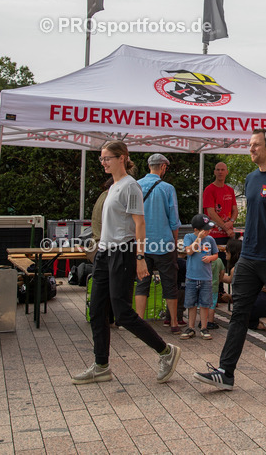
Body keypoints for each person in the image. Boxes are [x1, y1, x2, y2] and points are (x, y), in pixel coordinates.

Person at [194, 129, 266, 390]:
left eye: (255, 145)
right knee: (239, 314)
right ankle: (226, 372)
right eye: (250, 144)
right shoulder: (251, 179)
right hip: (249, 257)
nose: (250, 148)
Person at [72, 141, 180, 385]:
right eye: (101, 159)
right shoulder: (114, 186)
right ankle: (101, 365)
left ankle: (166, 351)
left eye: (107, 158)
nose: (103, 163)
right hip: (105, 252)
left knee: (122, 313)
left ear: (122, 158)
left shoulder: (131, 186)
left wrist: (140, 258)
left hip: (123, 251)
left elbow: (139, 224)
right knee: (98, 310)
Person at [136, 153, 182, 333]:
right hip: (164, 243)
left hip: (143, 244)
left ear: (149, 166)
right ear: (163, 167)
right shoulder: (168, 188)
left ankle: (139, 322)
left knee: (142, 283)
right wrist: (175, 242)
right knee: (169, 283)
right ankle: (174, 323)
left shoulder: (136, 186)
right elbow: (174, 219)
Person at [179, 221, 218, 340]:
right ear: (196, 229)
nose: (208, 231)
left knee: (205, 303)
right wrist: (199, 239)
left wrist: (210, 258)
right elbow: (189, 251)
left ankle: (204, 327)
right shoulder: (189, 237)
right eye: (205, 229)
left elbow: (216, 254)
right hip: (192, 277)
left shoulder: (210, 239)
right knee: (191, 304)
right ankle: (191, 327)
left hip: (206, 277)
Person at [203, 162, 238, 246]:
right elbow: (211, 213)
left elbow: (235, 210)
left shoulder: (230, 190)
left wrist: (231, 221)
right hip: (213, 235)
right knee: (216, 259)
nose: (220, 172)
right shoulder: (209, 190)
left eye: (222, 170)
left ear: (227, 172)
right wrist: (226, 228)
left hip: (229, 234)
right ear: (214, 172)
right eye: (218, 170)